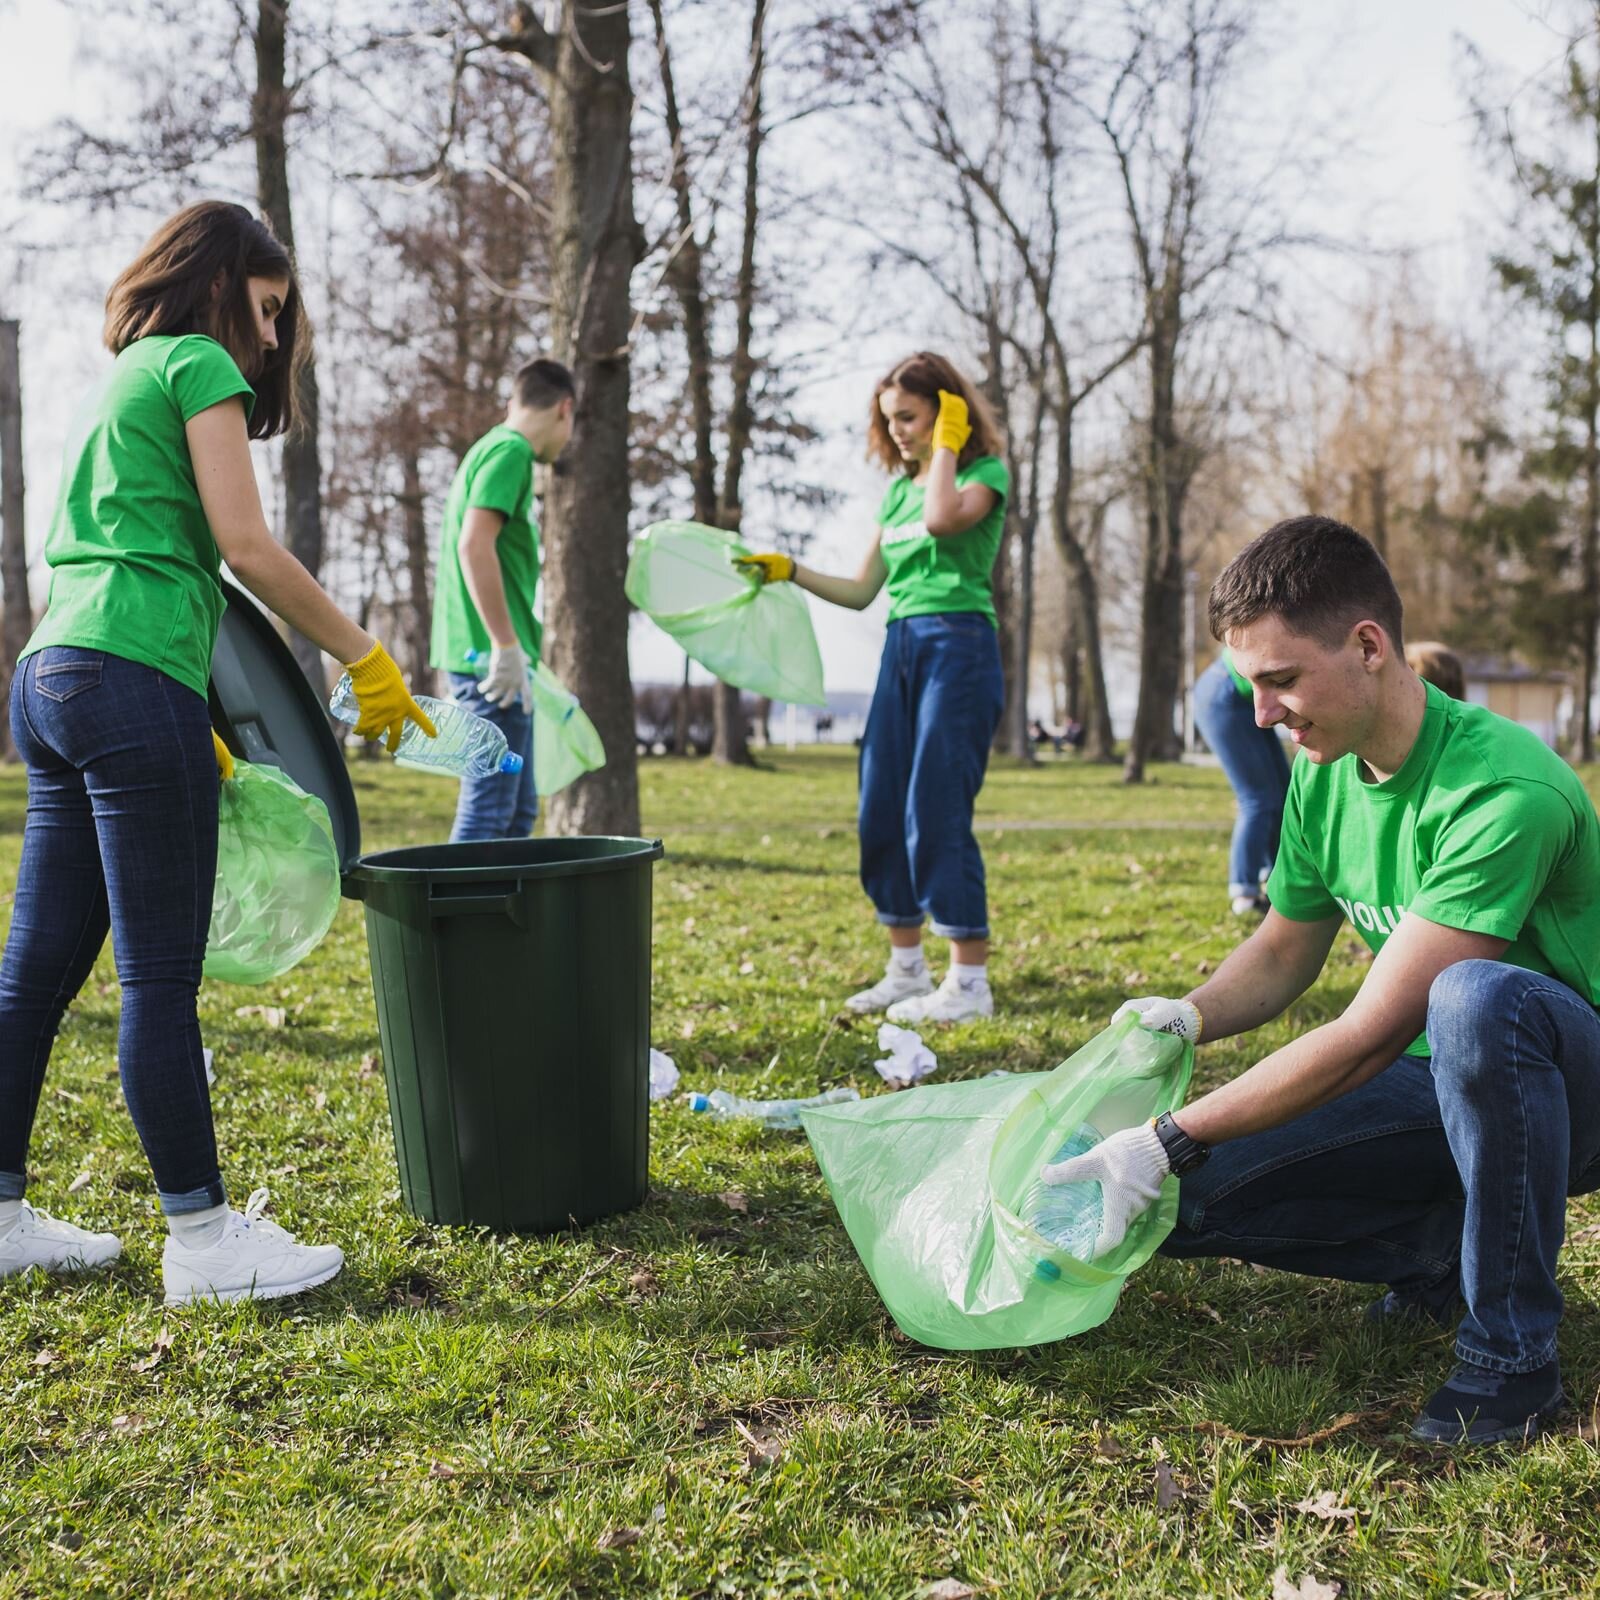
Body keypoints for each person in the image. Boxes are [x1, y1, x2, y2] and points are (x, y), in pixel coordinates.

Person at [1044, 516, 1600, 1445]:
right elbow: (1282, 950)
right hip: (1439, 1083)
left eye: (1280, 680)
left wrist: (1169, 1135)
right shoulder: (1324, 770)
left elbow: (1371, 1034)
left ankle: (1512, 1360)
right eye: (1249, 686)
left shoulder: (1505, 792)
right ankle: (1444, 1258)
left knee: (1475, 1001)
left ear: (1369, 647)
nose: (1262, 714)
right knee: (1180, 1204)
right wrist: (1185, 1016)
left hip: (1571, 1092)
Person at [0, 202, 436, 1304]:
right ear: (217, 280)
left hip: (55, 675)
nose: (277, 337)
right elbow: (243, 546)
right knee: (157, 978)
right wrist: (363, 655)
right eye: (271, 306)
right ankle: (201, 1240)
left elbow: (141, 551)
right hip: (130, 680)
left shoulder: (118, 380)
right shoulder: (197, 360)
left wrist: (185, 711)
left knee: (34, 976)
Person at [737, 352, 1008, 1024]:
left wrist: (947, 443)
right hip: (902, 646)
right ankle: (907, 970)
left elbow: (944, 519)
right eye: (891, 422)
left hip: (960, 645)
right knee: (881, 803)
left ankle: (969, 983)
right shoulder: (895, 494)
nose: (899, 434)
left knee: (935, 806)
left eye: (910, 418)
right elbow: (861, 592)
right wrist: (790, 570)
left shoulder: (983, 473)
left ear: (947, 411)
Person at [429, 359, 576, 842]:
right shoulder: (511, 453)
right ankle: (453, 919)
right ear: (565, 409)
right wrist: (506, 645)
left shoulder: (491, 450)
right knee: (489, 811)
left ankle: (501, 918)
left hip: (491, 659)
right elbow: (473, 545)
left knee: (515, 814)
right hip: (491, 664)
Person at [1194, 644, 1290, 916]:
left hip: (1243, 697)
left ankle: (1277, 883)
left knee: (1285, 792)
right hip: (1222, 694)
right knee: (1258, 800)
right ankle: (1244, 893)